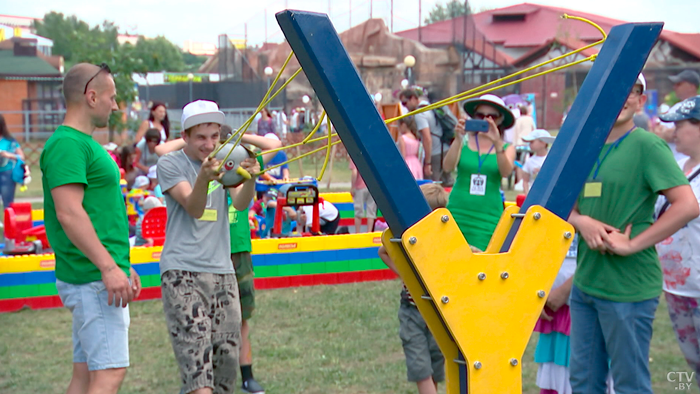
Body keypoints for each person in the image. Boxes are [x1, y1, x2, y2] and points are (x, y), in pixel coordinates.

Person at [567, 74, 699, 394]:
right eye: (616, 89)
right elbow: (558, 202)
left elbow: (687, 205)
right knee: (583, 382)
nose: (624, 97)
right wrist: (581, 222)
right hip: (585, 281)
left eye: (633, 91)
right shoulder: (585, 144)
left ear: (641, 101)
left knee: (630, 384)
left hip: (629, 287)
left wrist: (634, 245)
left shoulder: (648, 145)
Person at [41, 62, 141, 394]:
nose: (116, 106)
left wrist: (122, 265)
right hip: (93, 279)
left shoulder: (79, 143)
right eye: (112, 98)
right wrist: (109, 267)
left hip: (95, 278)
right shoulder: (68, 145)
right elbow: (69, 214)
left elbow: (94, 212)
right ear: (91, 96)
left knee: (85, 375)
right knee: (109, 374)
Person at [157, 99, 260, 394]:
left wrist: (250, 179)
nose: (209, 144)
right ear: (185, 136)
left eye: (214, 136)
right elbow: (194, 207)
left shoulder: (224, 160)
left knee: (225, 368)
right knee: (197, 368)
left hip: (222, 272)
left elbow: (240, 203)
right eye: (201, 137)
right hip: (182, 272)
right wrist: (204, 176)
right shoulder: (171, 163)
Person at [378, 183, 479, 394]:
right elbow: (384, 250)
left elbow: (470, 254)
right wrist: (407, 274)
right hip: (412, 312)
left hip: (440, 312)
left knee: (434, 366)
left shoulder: (447, 243)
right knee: (420, 368)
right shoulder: (411, 243)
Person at [654, 95, 700, 388]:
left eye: (680, 125)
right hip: (675, 286)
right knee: (693, 363)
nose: (674, 132)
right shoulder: (678, 165)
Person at [442, 94, 516, 251]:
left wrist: (497, 143)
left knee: (482, 262)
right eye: (480, 115)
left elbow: (506, 172)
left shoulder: (506, 147)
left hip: (488, 215)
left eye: (491, 117)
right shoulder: (464, 142)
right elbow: (447, 167)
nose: (485, 120)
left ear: (500, 120)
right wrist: (458, 138)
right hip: (458, 210)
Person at [399, 89, 452, 185]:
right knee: (446, 184)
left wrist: (428, 163)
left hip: (434, 154)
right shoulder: (430, 107)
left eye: (405, 103)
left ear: (413, 98)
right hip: (445, 149)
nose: (405, 107)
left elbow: (427, 138)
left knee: (432, 187)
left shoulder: (420, 113)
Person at [654, 70, 700, 161]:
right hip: (679, 162)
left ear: (691, 86)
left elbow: (665, 134)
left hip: (688, 160)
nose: (674, 87)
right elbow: (656, 131)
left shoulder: (697, 104)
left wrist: (665, 133)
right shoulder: (677, 106)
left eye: (679, 84)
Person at [0, 114, 25, 207]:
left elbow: (21, 157)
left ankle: (8, 221)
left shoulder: (10, 141)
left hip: (6, 174)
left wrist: (8, 154)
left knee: (8, 203)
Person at [520, 129, 555, 195]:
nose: (530, 145)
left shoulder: (552, 159)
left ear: (543, 142)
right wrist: (527, 194)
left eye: (532, 142)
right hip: (535, 194)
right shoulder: (529, 162)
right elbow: (525, 180)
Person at [350, 159, 377, 233]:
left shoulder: (354, 156)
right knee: (371, 211)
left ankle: (358, 233)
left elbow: (354, 172)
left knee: (359, 211)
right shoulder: (369, 155)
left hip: (360, 187)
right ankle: (369, 232)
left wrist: (353, 187)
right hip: (372, 187)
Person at [398, 116, 424, 180]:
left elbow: (403, 155)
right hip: (416, 163)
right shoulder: (415, 137)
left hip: (407, 163)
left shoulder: (403, 138)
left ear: (403, 125)